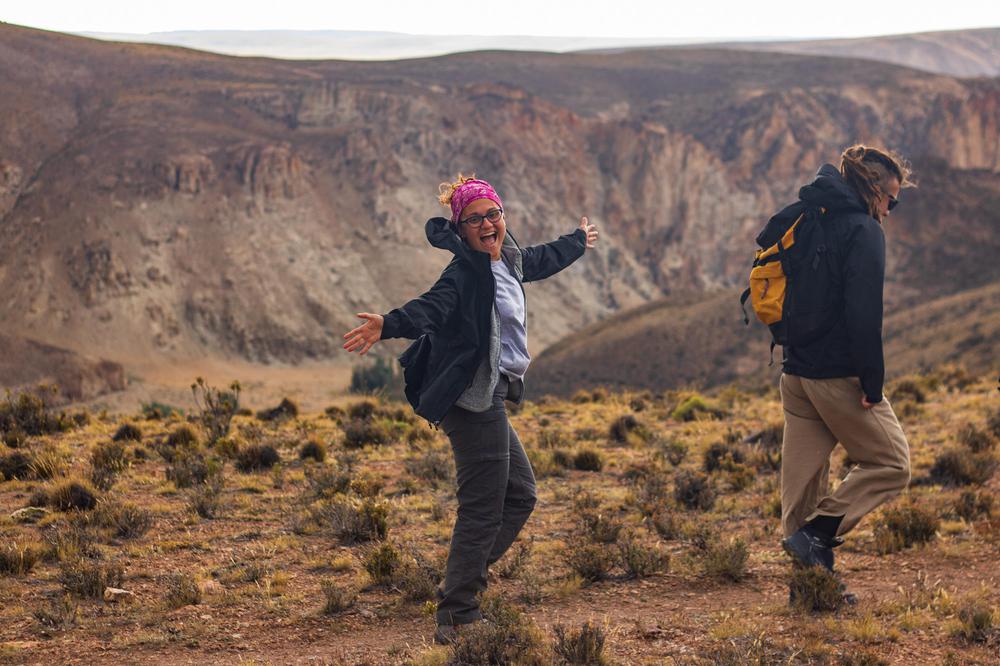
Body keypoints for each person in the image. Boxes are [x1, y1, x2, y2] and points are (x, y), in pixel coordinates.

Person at [342, 174, 598, 643]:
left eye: (493, 214)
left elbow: (544, 258)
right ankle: (458, 612)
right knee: (483, 505)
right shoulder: (463, 273)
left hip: (491, 394)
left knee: (519, 494)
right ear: (460, 229)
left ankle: (461, 581)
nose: (486, 224)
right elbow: (431, 308)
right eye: (474, 219)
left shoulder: (511, 260)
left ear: (504, 218)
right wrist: (388, 323)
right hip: (471, 398)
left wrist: (578, 241)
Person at [778, 145, 914, 592]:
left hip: (794, 373)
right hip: (835, 375)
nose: (890, 211)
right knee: (892, 463)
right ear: (873, 189)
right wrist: (872, 384)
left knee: (802, 488)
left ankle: (811, 591)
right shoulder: (863, 230)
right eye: (890, 200)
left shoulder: (809, 215)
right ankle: (818, 535)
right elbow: (863, 316)